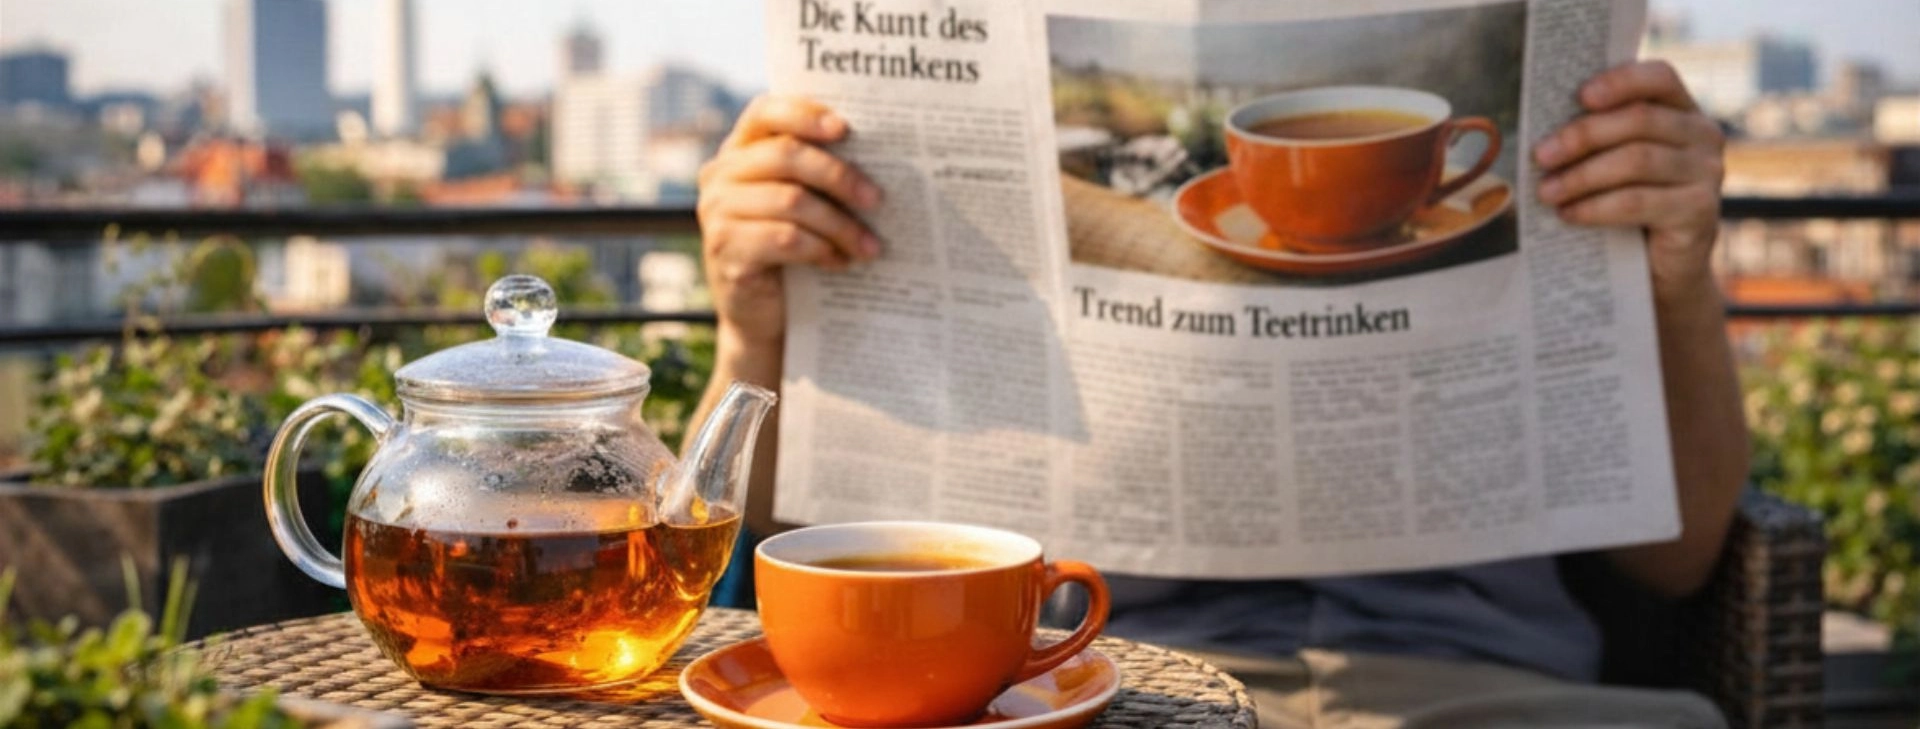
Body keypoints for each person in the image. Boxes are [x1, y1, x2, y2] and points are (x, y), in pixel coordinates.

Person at [686, 60, 1747, 729]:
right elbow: (759, 532)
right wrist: (751, 324)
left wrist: (1677, 282)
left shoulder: (1544, 169)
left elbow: (1684, 556)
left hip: (1494, 691)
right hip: (1096, 688)